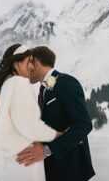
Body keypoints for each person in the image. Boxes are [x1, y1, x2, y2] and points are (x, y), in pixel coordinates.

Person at [16, 46, 95, 181]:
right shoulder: (47, 86)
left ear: (35, 62)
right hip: (54, 172)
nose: (26, 70)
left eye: (28, 64)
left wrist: (46, 150)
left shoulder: (66, 82)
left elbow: (84, 125)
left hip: (72, 171)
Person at [0, 43, 62, 181]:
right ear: (16, 63)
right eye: (29, 61)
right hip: (28, 161)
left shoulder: (1, 90)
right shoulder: (18, 84)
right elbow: (29, 126)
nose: (32, 66)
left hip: (13, 162)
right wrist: (58, 135)